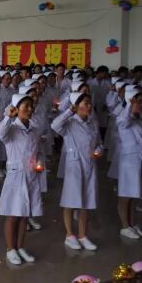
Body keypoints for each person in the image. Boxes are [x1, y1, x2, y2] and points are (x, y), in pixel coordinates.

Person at [0, 94, 43, 265]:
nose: (30, 109)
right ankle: (11, 249)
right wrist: (8, 117)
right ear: (16, 109)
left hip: (31, 175)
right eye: (26, 106)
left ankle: (20, 246)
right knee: (13, 214)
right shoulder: (11, 128)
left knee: (24, 215)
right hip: (16, 176)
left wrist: (39, 162)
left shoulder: (34, 129)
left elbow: (38, 151)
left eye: (31, 106)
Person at [51, 92, 102, 251]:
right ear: (76, 105)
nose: (89, 106)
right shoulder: (70, 123)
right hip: (74, 166)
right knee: (71, 201)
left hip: (90, 165)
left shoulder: (92, 123)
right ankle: (69, 235)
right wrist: (68, 111)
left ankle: (82, 235)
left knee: (85, 202)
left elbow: (99, 143)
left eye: (89, 103)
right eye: (85, 103)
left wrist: (98, 151)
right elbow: (54, 125)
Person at [117, 88, 142, 240]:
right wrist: (129, 105)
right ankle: (125, 226)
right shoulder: (123, 118)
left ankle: (132, 224)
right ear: (130, 102)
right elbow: (124, 121)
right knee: (126, 195)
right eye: (138, 102)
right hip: (130, 162)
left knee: (135, 194)